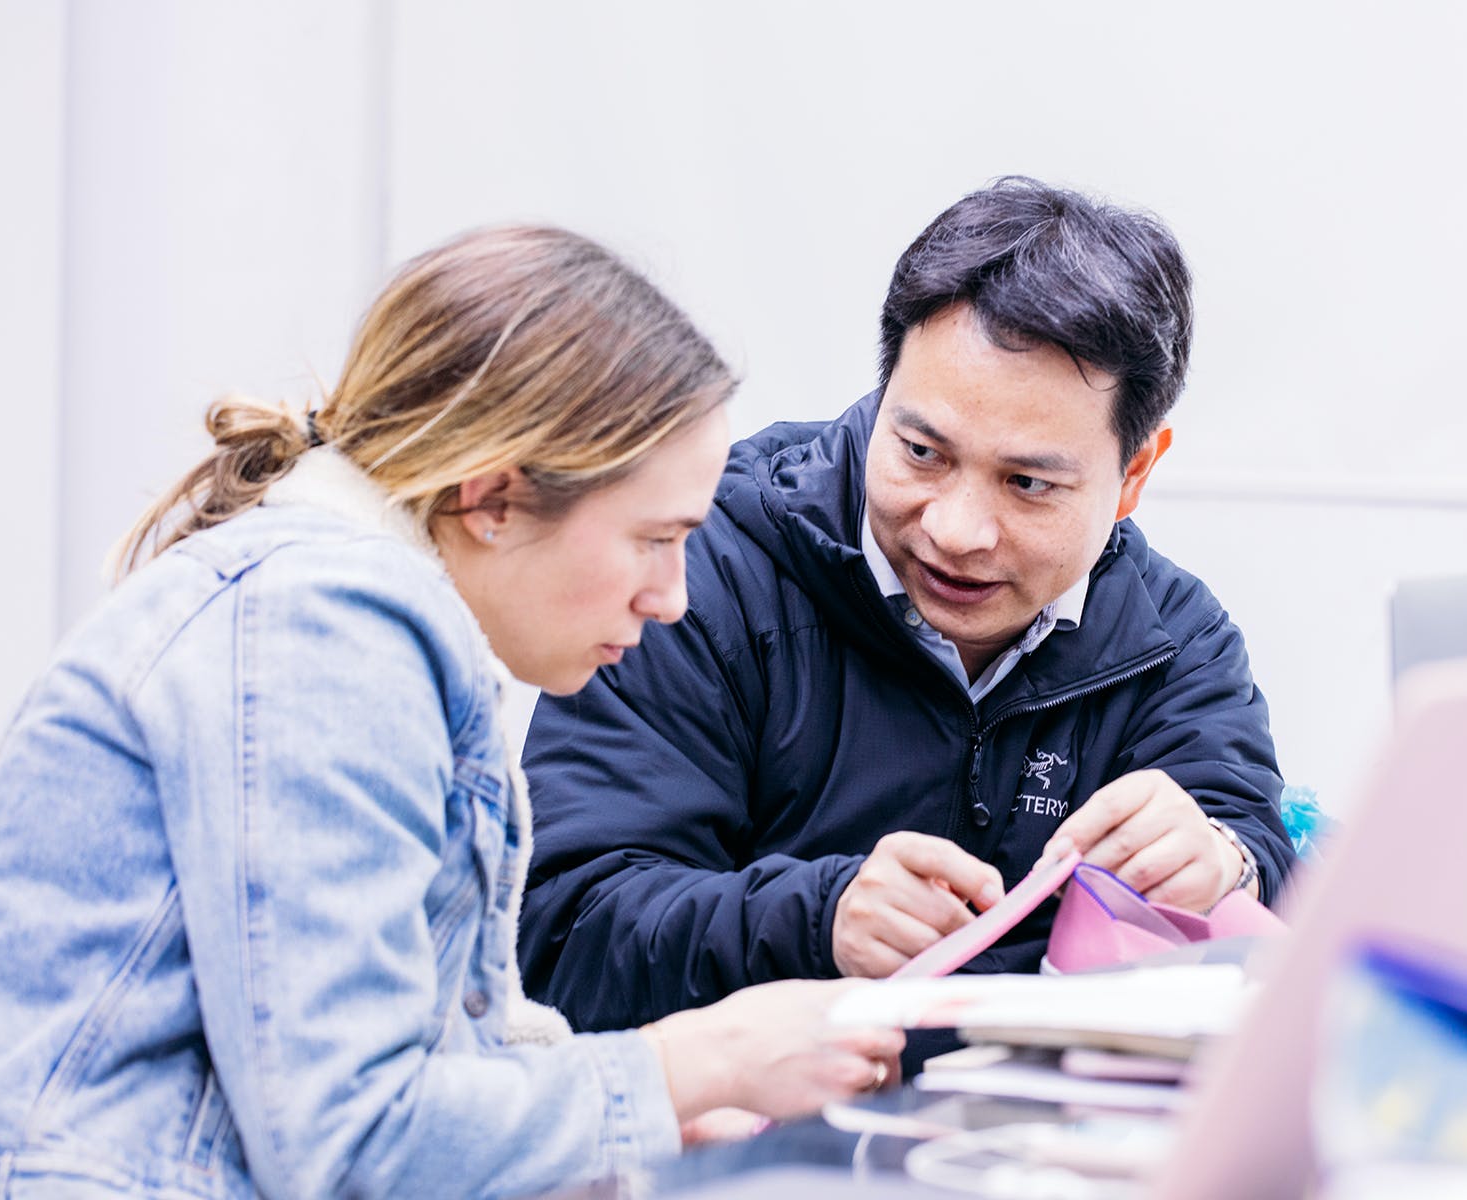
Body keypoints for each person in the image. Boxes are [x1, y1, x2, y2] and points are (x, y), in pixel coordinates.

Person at [0, 226, 902, 1199]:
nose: (673, 597)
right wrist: (693, 1063)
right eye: (654, 540)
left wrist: (634, 1124)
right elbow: (353, 1139)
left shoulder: (339, 621)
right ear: (491, 497)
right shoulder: (324, 633)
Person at [519, 177, 1294, 1040]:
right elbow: (558, 934)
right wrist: (818, 920)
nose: (957, 531)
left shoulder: (1172, 642)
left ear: (1135, 475)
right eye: (922, 452)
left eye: (1028, 483)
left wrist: (1225, 860)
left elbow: (1256, 851)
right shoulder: (698, 573)